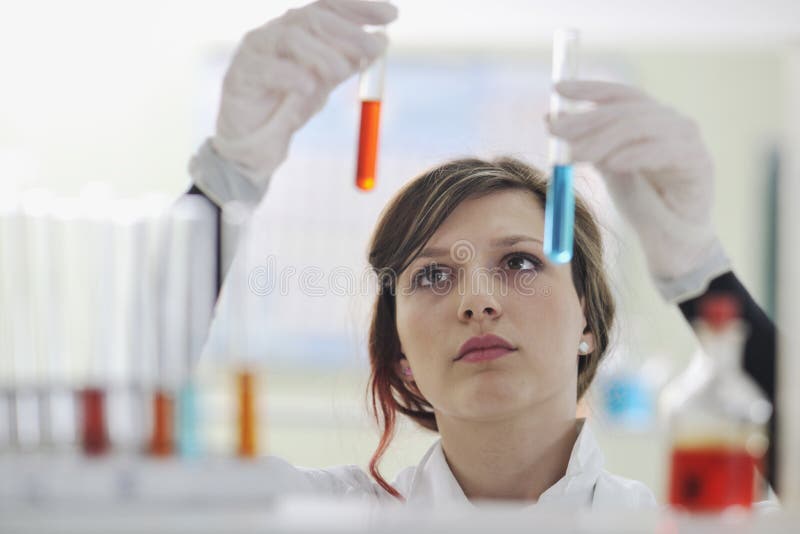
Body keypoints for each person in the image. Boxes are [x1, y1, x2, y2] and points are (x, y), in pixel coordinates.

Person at [187, 0, 778, 504]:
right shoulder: (328, 517)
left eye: (520, 262)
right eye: (432, 276)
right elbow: (118, 469)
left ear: (588, 323)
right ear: (402, 361)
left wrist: (701, 273)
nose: (476, 302)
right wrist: (219, 188)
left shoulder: (672, 522)